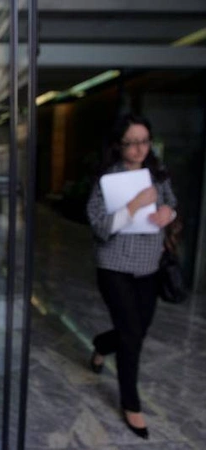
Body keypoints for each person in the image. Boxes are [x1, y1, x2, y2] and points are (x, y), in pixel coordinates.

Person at [86, 113, 177, 439]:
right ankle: (131, 404)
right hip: (114, 266)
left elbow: (171, 204)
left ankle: (101, 344)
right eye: (131, 143)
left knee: (137, 330)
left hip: (149, 265)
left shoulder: (158, 174)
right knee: (130, 336)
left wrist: (168, 213)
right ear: (118, 145)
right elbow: (100, 227)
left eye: (144, 141)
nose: (139, 149)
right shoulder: (106, 179)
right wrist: (135, 204)